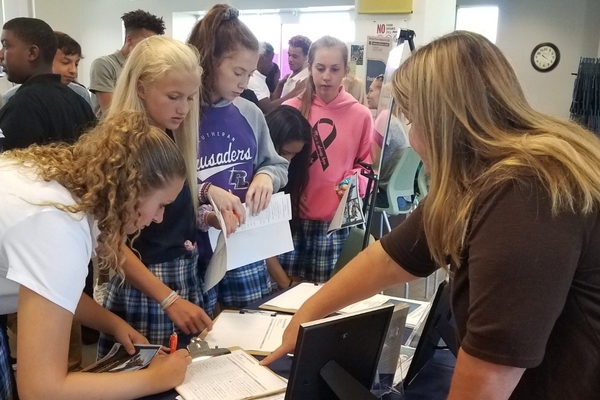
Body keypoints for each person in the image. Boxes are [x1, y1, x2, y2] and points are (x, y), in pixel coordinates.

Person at [262, 31, 600, 400]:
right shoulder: (478, 175)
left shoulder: (526, 193)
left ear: (439, 121)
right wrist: (307, 314)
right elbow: (393, 256)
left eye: (412, 120)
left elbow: (488, 376)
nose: (413, 136)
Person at [0, 111, 192, 400]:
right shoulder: (58, 225)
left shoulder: (66, 190)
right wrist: (155, 378)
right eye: (161, 205)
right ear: (132, 190)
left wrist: (113, 324)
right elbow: (40, 390)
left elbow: (53, 293)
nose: (158, 219)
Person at [96, 35, 212, 359]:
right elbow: (111, 242)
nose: (184, 109)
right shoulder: (121, 150)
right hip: (146, 284)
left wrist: (206, 212)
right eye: (174, 97)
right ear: (141, 88)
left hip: (181, 274)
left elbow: (176, 212)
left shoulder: (169, 136)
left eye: (190, 98)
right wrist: (168, 298)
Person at [187, 4, 288, 317]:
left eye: (250, 74)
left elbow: (277, 165)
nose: (244, 83)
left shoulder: (250, 112)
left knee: (250, 326)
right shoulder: (182, 114)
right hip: (193, 249)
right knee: (199, 336)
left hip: (243, 245)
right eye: (237, 72)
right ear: (209, 61)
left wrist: (265, 177)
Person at [279, 35, 373, 283]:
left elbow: (366, 166)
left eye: (334, 69)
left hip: (333, 222)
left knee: (324, 291)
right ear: (310, 68)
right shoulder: (291, 109)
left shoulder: (361, 115)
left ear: (345, 71)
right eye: (320, 69)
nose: (326, 77)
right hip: (291, 217)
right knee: (284, 289)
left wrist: (355, 182)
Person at [0, 17, 96, 151]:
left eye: (6, 46)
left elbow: (12, 166)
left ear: (32, 53)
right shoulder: (79, 102)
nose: (1, 55)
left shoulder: (23, 104)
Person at [264, 105, 311, 289]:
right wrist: (286, 283)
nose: (288, 162)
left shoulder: (290, 174)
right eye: (284, 153)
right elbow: (259, 243)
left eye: (295, 155)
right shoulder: (258, 178)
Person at [89, 9, 165, 116]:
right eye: (146, 43)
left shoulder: (147, 68)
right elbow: (111, 112)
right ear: (130, 40)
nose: (151, 48)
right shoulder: (104, 65)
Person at [3, 31, 91, 106]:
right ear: (47, 59)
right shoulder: (13, 96)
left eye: (76, 64)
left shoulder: (80, 94)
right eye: (65, 62)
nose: (73, 70)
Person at [367, 74, 408, 208]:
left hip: (383, 196)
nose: (367, 95)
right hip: (400, 197)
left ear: (384, 93)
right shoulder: (396, 121)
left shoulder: (385, 119)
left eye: (371, 90)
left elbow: (373, 164)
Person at [249, 42, 305, 114]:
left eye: (295, 56)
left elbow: (271, 100)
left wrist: (280, 85)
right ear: (262, 58)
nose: (272, 65)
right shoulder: (253, 80)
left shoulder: (259, 78)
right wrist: (295, 91)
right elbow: (269, 108)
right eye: (270, 60)